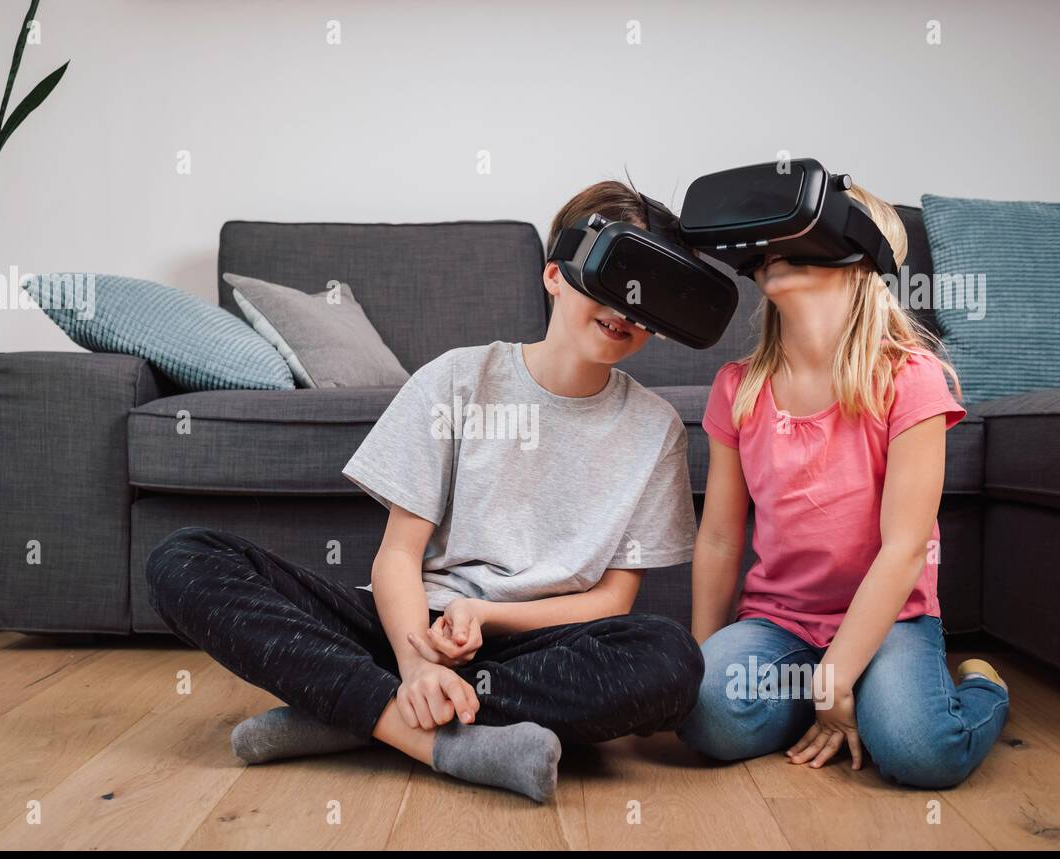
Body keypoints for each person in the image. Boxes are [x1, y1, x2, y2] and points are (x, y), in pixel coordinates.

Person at [147, 181, 703, 802]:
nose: (625, 306)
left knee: (669, 659)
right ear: (554, 274)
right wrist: (414, 662)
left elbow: (611, 603)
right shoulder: (459, 379)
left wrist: (488, 616)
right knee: (185, 557)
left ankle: (352, 713)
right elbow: (398, 556)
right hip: (408, 625)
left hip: (534, 639)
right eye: (612, 276)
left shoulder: (656, 431)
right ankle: (422, 730)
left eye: (648, 294)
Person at [677, 184, 1009, 788]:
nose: (779, 249)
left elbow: (905, 547)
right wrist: (698, 668)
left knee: (920, 753)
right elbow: (722, 539)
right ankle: (836, 696)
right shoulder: (738, 388)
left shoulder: (909, 378)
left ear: (860, 260)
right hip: (781, 622)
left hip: (891, 623)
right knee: (703, 717)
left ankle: (980, 686)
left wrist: (835, 677)